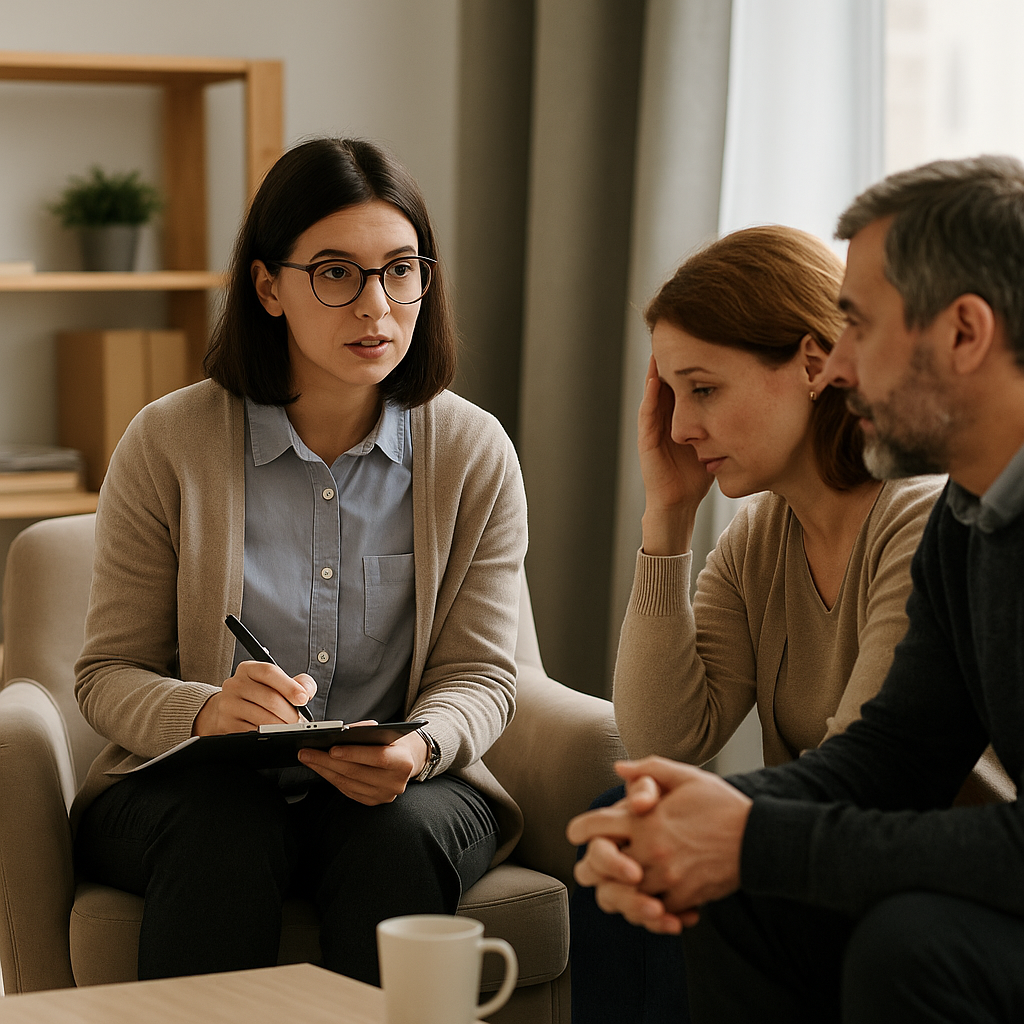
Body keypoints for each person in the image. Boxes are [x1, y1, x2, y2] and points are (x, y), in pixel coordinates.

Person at [568, 154, 1024, 1023]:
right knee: (682, 852)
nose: (838, 365)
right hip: (933, 863)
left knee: (910, 944)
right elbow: (890, 757)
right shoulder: (971, 520)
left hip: (955, 879)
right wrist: (704, 816)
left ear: (964, 333)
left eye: (858, 326)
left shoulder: (925, 514)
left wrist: (750, 834)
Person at [71, 137, 528, 986]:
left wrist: (420, 749)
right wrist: (207, 712)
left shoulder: (472, 452)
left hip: (399, 790)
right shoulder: (166, 443)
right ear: (268, 286)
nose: (376, 305)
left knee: (395, 838)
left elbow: (483, 677)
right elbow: (107, 675)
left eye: (401, 269)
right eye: (335, 273)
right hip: (195, 793)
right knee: (226, 830)